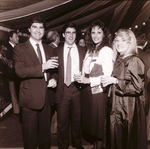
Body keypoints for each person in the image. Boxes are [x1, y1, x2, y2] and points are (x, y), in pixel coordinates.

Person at [13, 16, 58, 149]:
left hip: (47, 100)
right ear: (29, 29)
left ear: (44, 30)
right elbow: (20, 71)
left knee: (45, 138)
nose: (38, 30)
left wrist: (54, 79)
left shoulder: (49, 49)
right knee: (30, 138)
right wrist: (43, 67)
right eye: (35, 27)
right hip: (29, 100)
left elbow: (55, 70)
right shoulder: (20, 48)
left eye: (41, 27)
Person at [101, 29, 147, 149]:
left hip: (128, 111)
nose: (119, 43)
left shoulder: (134, 60)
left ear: (129, 43)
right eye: (117, 41)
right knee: (115, 140)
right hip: (116, 108)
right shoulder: (118, 61)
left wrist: (115, 81)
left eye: (123, 41)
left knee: (126, 141)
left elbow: (137, 87)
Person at [76, 19, 113, 149]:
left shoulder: (106, 50)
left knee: (98, 122)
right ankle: (96, 146)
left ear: (104, 34)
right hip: (87, 91)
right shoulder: (91, 49)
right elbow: (86, 69)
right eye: (93, 32)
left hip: (98, 92)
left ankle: (99, 146)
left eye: (99, 32)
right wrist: (81, 76)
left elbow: (107, 75)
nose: (95, 35)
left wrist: (88, 80)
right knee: (92, 122)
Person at [49, 22, 86, 149]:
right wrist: (53, 79)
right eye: (68, 33)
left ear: (76, 35)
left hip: (78, 90)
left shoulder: (83, 51)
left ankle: (77, 144)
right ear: (63, 35)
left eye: (73, 33)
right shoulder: (56, 50)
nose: (71, 35)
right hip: (62, 90)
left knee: (77, 121)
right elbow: (54, 72)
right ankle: (62, 146)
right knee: (62, 123)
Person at [46, 30, 60, 134]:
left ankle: (51, 129)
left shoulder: (45, 48)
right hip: (53, 83)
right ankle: (52, 129)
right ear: (56, 38)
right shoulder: (55, 49)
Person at [5, 31, 20, 114]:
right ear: (10, 38)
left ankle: (18, 110)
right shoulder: (7, 49)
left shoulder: (17, 47)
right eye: (16, 37)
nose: (18, 38)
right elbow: (7, 65)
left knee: (16, 93)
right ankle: (17, 111)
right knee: (13, 93)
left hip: (17, 75)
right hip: (11, 76)